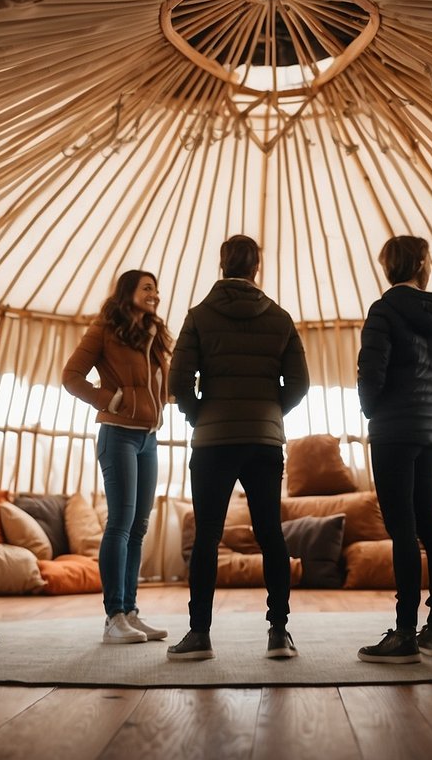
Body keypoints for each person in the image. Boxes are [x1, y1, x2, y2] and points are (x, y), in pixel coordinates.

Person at [166, 235, 309, 661]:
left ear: (222, 265)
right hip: (264, 441)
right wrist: (268, 412)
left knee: (207, 537)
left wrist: (200, 415)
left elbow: (177, 384)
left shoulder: (198, 316)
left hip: (213, 441)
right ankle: (279, 632)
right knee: (271, 534)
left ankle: (199, 635)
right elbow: (299, 384)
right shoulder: (280, 318)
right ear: (256, 268)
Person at [356, 236, 432, 664]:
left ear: (389, 268)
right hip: (429, 428)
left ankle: (404, 633)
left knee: (402, 529)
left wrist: (371, 408)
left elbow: (373, 369)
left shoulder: (384, 310)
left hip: (392, 428)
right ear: (422, 265)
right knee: (429, 525)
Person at [64, 270, 172, 645]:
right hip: (118, 435)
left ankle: (130, 611)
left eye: (156, 289)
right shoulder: (104, 329)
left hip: (149, 439)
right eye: (147, 288)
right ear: (128, 292)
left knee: (139, 526)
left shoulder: (155, 337)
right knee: (121, 523)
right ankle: (113, 617)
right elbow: (71, 376)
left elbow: (165, 390)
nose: (155, 294)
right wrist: (109, 400)